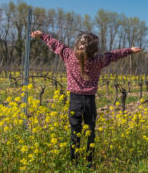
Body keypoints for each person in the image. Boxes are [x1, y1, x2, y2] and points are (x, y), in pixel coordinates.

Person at [31, 30, 141, 167]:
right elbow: (114, 55)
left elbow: (55, 44)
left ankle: (74, 163)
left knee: (74, 132)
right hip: (90, 101)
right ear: (94, 49)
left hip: (75, 101)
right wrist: (130, 50)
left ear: (77, 45)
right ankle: (89, 162)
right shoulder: (99, 60)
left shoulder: (68, 56)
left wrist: (42, 36)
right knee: (90, 132)